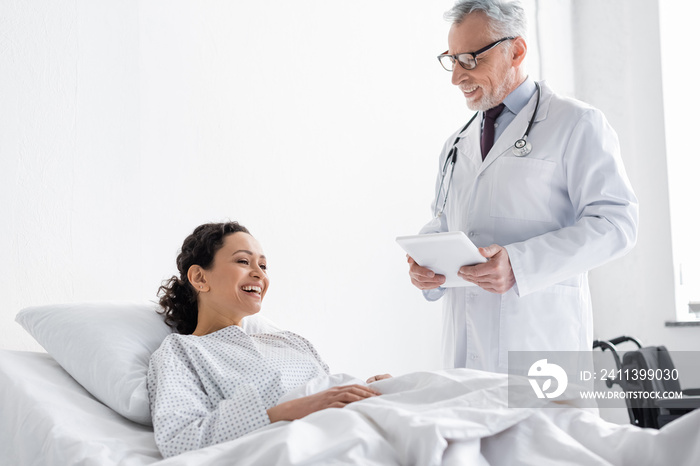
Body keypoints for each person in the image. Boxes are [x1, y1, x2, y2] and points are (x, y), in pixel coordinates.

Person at [408, 0, 638, 373]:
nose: (456, 77)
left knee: (540, 431)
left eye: (470, 59)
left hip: (540, 347)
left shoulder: (576, 124)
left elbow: (617, 224)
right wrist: (426, 267)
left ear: (516, 51)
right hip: (465, 357)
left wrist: (521, 265)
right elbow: (445, 223)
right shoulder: (456, 145)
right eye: (452, 60)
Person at [147, 222, 390, 458]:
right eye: (243, 261)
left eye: (263, 266)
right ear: (200, 277)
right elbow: (179, 440)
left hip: (358, 429)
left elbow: (331, 396)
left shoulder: (291, 342)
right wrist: (283, 412)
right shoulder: (181, 352)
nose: (259, 274)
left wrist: (373, 388)